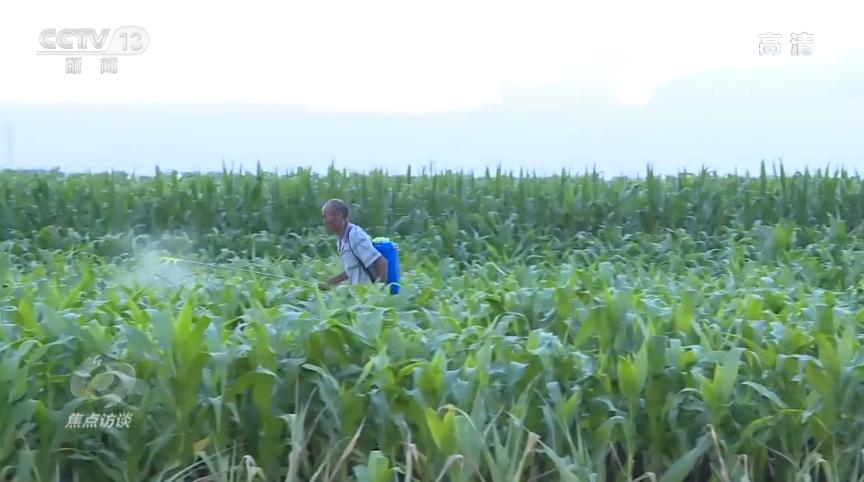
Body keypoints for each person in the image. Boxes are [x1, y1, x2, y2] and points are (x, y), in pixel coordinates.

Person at [318, 199, 388, 290]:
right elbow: (353, 269)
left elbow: (381, 262)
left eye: (325, 216)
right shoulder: (342, 240)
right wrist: (332, 282)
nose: (325, 221)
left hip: (368, 295)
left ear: (339, 216)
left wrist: (380, 291)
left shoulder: (354, 235)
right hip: (358, 295)